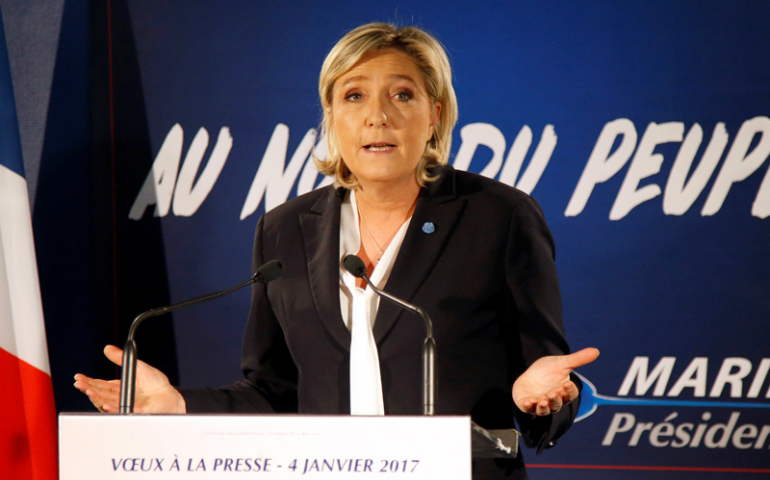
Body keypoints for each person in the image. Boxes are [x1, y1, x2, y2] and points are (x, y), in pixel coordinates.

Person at [75, 23, 599, 479]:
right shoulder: (285, 230)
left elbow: (547, 378)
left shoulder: (499, 217)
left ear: (435, 114)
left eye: (402, 95)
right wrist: (178, 404)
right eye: (353, 96)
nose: (378, 117)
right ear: (331, 113)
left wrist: (537, 398)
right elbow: (275, 390)